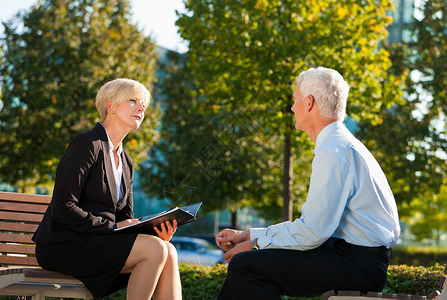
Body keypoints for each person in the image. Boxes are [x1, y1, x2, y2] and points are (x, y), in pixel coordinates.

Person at [215, 67, 400, 300]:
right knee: (244, 265)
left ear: (309, 103)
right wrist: (247, 235)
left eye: (295, 100)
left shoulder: (335, 150)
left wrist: (255, 244)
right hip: (354, 259)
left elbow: (312, 232)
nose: (292, 107)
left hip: (356, 265)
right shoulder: (339, 145)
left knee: (246, 265)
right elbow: (310, 226)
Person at [33, 78, 182, 300]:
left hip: (100, 242)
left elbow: (125, 219)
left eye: (143, 104)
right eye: (133, 101)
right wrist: (111, 227)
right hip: (65, 245)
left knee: (168, 250)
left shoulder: (126, 161)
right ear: (111, 105)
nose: (141, 108)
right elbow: (62, 208)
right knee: (156, 250)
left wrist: (155, 231)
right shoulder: (86, 144)